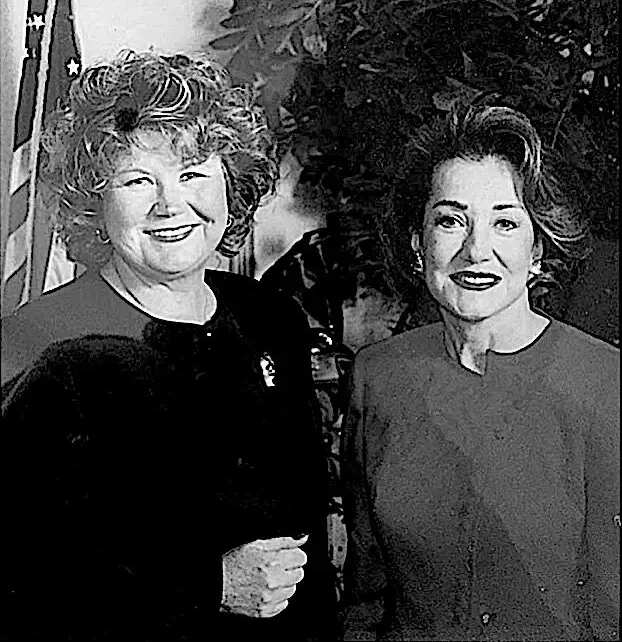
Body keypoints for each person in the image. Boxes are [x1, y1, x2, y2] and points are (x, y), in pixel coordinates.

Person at [1, 50, 336, 640]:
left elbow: (303, 517)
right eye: (136, 181)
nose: (169, 205)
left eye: (192, 173)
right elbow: (17, 571)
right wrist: (208, 583)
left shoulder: (269, 317)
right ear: (96, 206)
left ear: (229, 182)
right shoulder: (38, 343)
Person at [341, 104, 619, 641]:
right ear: (418, 245)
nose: (476, 250)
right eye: (450, 221)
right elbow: (366, 596)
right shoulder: (379, 379)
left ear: (537, 250)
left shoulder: (604, 385)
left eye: (505, 223)